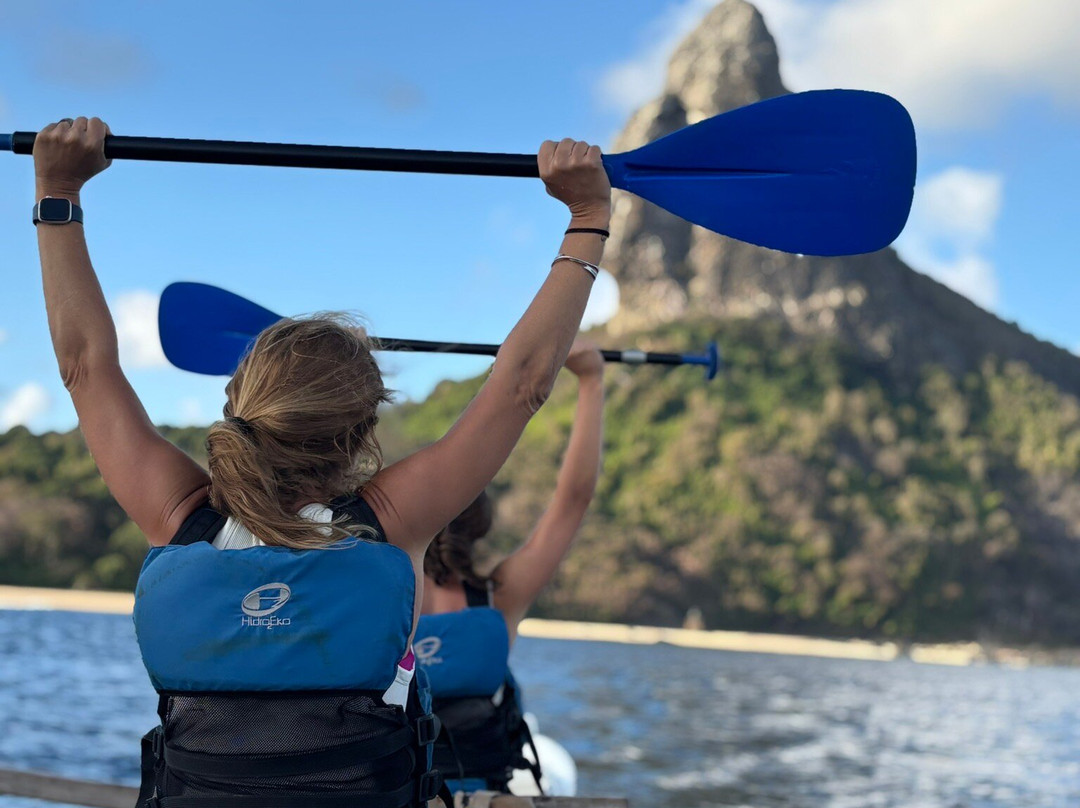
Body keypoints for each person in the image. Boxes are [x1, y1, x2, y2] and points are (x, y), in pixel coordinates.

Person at [31, 116, 611, 808]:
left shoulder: (180, 517)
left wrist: (57, 189)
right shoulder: (390, 523)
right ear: (364, 432)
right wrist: (587, 215)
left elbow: (85, 368)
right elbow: (521, 383)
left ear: (237, 404)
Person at [415, 337, 604, 795]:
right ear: (480, 522)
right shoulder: (501, 594)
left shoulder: (377, 586)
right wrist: (592, 381)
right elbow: (571, 502)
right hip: (486, 794)